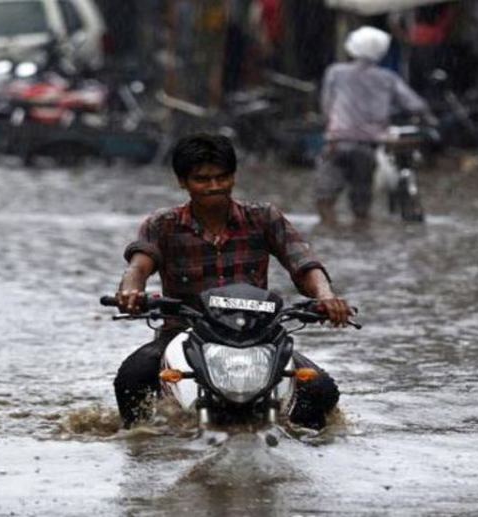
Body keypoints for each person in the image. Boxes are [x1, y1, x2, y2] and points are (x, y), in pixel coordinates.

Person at [113, 133, 353, 430]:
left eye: (222, 177)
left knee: (321, 390)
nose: (214, 186)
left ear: (234, 177)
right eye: (202, 179)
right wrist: (130, 291)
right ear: (182, 182)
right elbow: (139, 265)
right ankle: (139, 447)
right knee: (132, 377)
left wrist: (326, 296)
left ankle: (303, 446)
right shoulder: (162, 224)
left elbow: (303, 263)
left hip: (259, 337)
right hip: (182, 335)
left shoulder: (264, 217)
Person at [316, 26, 436, 228]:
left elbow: (326, 106)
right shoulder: (387, 78)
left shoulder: (335, 72)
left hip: (337, 144)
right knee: (361, 205)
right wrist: (428, 117)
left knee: (324, 199)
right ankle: (361, 235)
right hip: (368, 148)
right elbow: (416, 104)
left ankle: (331, 233)